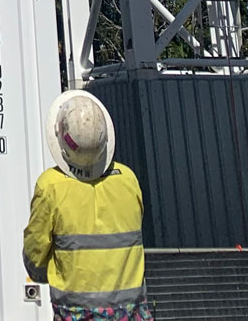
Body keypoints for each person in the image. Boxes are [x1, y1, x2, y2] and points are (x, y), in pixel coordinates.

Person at [22, 89, 154, 321]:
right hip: (132, 313)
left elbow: (35, 255)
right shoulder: (128, 179)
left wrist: (48, 272)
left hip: (76, 314)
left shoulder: (51, 186)